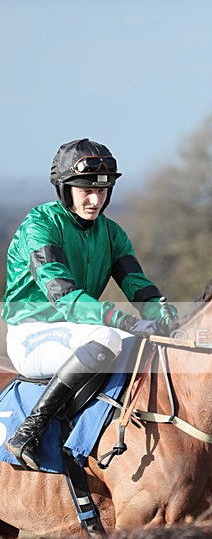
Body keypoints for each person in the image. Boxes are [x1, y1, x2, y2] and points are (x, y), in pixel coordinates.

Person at [2, 138, 178, 470]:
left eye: (103, 190)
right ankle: (28, 432)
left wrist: (164, 314)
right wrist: (119, 319)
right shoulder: (38, 227)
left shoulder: (112, 233)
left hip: (78, 334)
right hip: (31, 334)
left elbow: (139, 288)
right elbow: (64, 296)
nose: (96, 199)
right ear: (64, 188)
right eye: (86, 190)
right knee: (107, 337)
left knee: (141, 346)